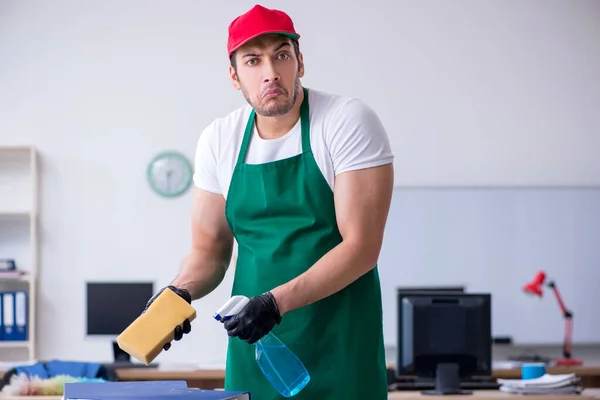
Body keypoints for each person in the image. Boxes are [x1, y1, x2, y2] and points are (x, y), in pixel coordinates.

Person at [146, 4, 394, 399]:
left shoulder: (345, 121)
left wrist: (275, 302)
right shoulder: (219, 139)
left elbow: (361, 247)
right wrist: (179, 291)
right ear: (234, 75)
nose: (271, 73)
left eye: (281, 55)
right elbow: (208, 251)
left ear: (300, 61)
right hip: (255, 346)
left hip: (341, 346)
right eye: (253, 60)